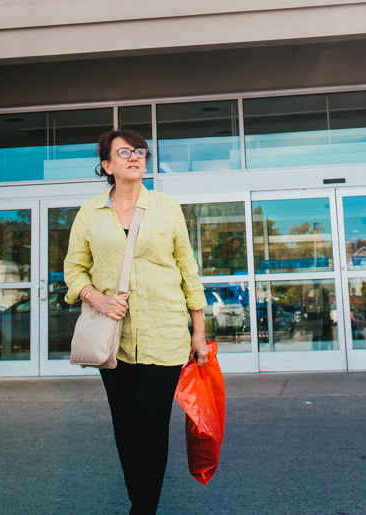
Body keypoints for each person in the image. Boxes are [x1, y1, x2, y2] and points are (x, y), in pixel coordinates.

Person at [64, 128, 209, 515]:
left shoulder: (166, 206)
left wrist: (199, 332)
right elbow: (74, 271)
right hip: (115, 342)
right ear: (107, 165)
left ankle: (142, 509)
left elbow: (187, 270)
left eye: (140, 151)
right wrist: (97, 297)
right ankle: (140, 499)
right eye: (124, 152)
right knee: (125, 427)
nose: (135, 157)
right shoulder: (89, 214)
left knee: (150, 424)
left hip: (165, 335)